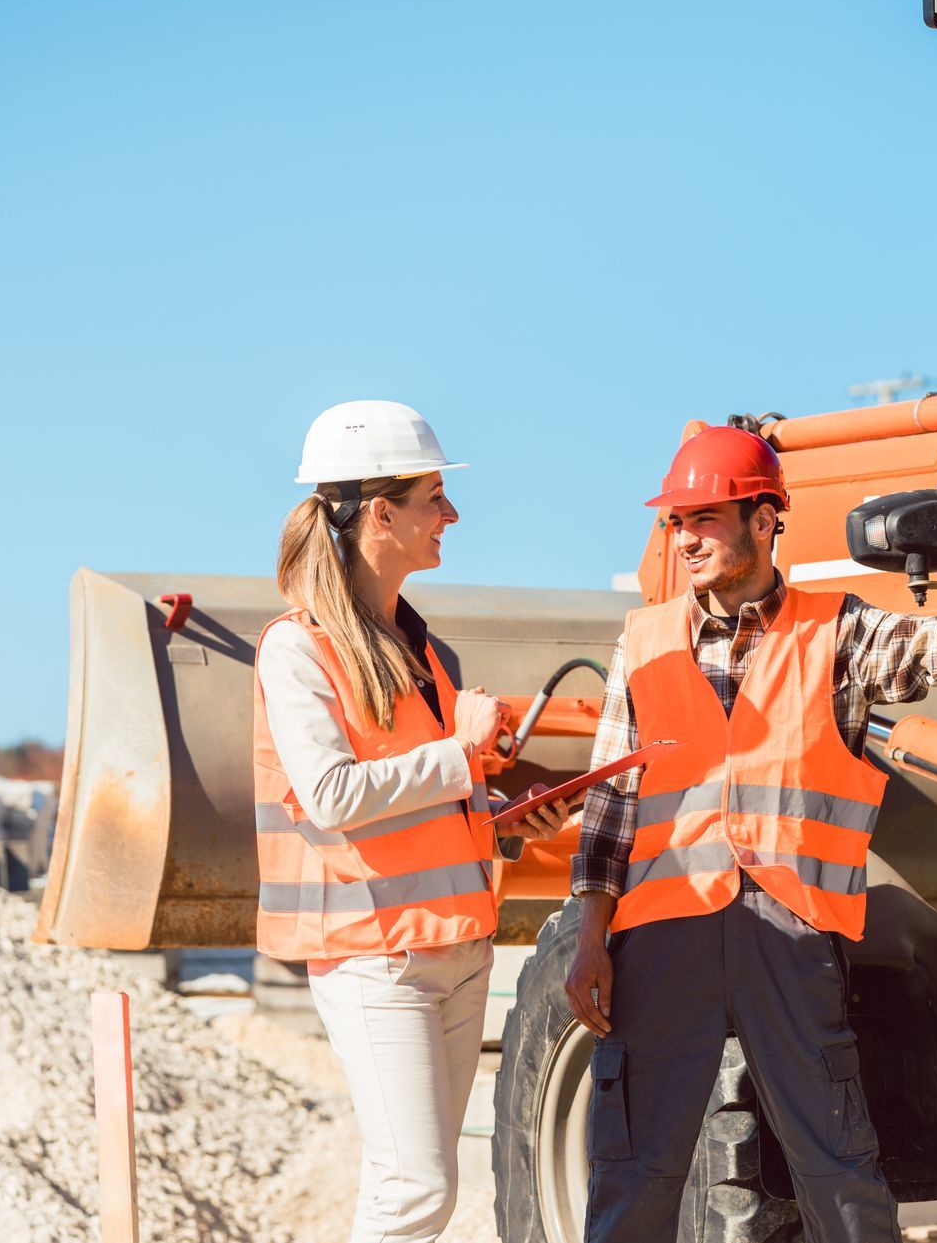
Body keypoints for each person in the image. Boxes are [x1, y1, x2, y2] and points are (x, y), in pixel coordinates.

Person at [564, 424, 937, 1242]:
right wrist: (590, 940)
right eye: (680, 521)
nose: (687, 537)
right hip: (663, 938)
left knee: (840, 1173)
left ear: (766, 519)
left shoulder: (836, 632)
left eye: (706, 517)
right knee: (634, 1177)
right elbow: (609, 815)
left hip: (789, 936)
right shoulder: (643, 643)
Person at [252, 399, 569, 1243]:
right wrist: (465, 758)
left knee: (417, 1188)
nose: (452, 514)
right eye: (435, 495)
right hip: (375, 959)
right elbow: (331, 793)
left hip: (458, 952)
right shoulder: (297, 649)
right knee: (415, 1192)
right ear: (380, 512)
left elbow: (421, 804)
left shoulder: (419, 648)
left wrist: (507, 819)